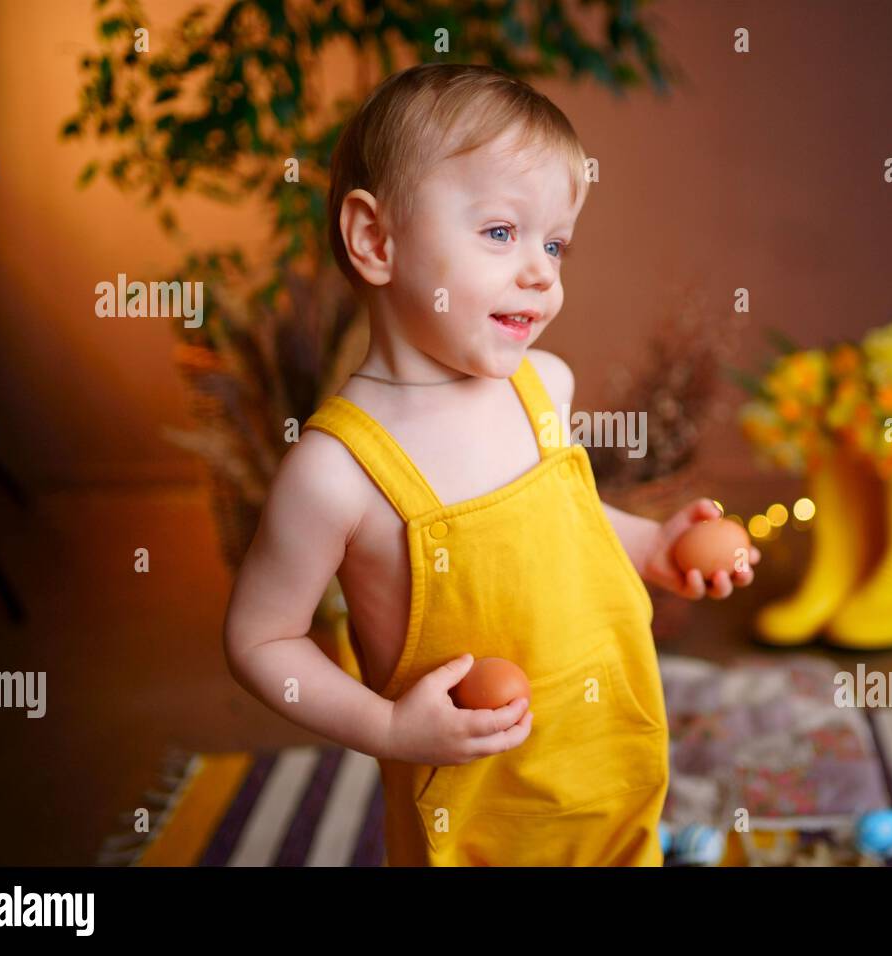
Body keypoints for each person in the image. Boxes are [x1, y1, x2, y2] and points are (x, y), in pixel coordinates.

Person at [223, 63, 759, 865]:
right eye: (502, 233)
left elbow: (562, 529)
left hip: (604, 761)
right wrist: (391, 729)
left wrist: (653, 547)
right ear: (376, 239)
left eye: (555, 243)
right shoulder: (338, 470)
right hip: (474, 816)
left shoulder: (543, 387)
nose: (542, 271)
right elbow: (260, 641)